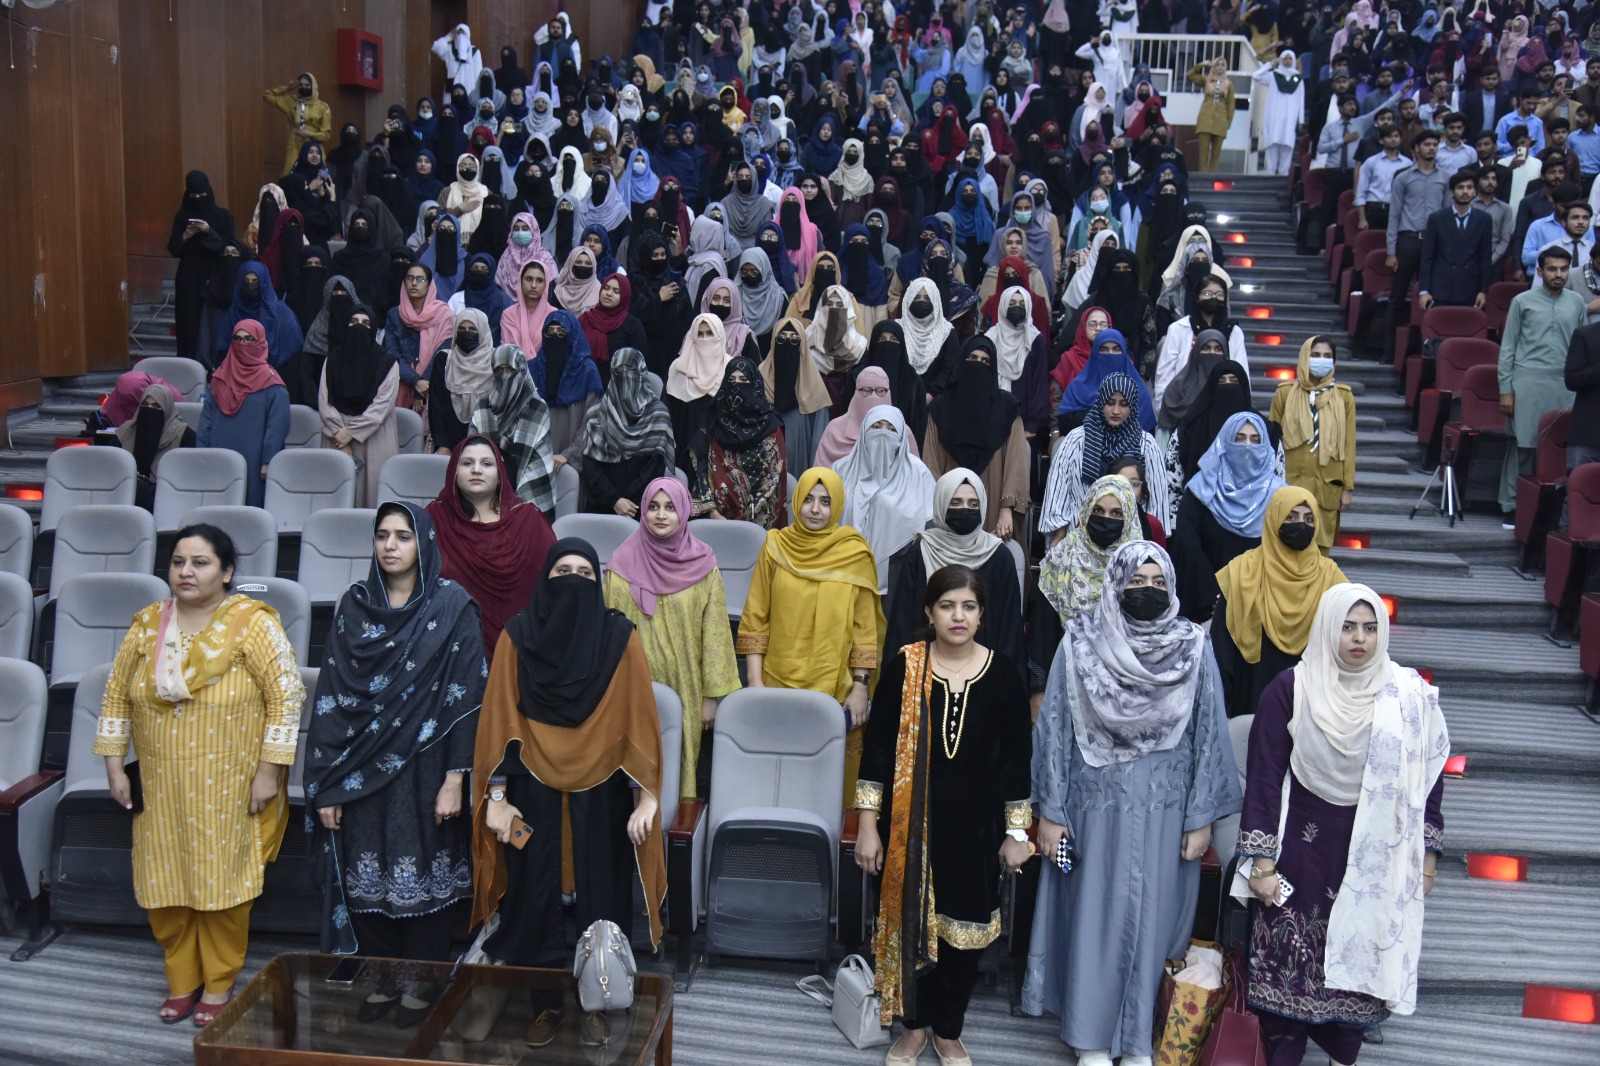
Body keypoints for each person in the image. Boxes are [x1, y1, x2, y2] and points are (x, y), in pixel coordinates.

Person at [1024, 540, 1243, 1066]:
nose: (1147, 590)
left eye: (1158, 582)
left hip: (1166, 813)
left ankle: (1139, 1039)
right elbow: (1053, 728)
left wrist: (1201, 819)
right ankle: (1092, 1039)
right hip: (1093, 808)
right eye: (1136, 582)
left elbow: (1210, 732)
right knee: (1093, 919)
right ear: (1115, 585)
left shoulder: (1193, 646)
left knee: (1153, 925)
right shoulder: (1080, 643)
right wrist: (1050, 811)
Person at [95, 525, 305, 1027]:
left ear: (227, 572)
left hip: (229, 784)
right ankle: (182, 979)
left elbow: (287, 698)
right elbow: (116, 695)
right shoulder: (148, 625)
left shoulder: (252, 625)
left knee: (222, 886)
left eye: (200, 562)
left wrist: (268, 774)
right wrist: (113, 765)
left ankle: (218, 982)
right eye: (178, 562)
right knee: (163, 882)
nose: (186, 572)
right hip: (160, 785)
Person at [1238, 584, 1448, 1066]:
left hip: (1374, 853)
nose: (1359, 639)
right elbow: (1264, 778)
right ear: (1328, 628)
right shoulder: (1291, 689)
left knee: (1359, 956)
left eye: (1370, 629)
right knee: (1289, 960)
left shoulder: (1408, 696)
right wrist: (1262, 862)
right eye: (1348, 627)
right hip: (1300, 845)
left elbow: (1429, 778)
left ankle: (1343, 1051)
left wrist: (1428, 857)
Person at [471, 538, 666, 1049]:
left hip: (601, 798)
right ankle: (544, 1004)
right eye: (563, 572)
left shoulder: (619, 638)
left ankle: (596, 1000)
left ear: (598, 584)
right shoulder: (517, 637)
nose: (574, 581)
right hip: (531, 797)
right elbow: (499, 723)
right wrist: (496, 798)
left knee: (600, 896)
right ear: (544, 580)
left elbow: (637, 724)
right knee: (532, 898)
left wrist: (646, 797)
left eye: (585, 573)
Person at [306, 504, 485, 1022]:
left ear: (422, 543)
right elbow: (333, 694)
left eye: (403, 536)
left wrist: (455, 779)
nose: (390, 545)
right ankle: (383, 977)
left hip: (428, 767)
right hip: (360, 767)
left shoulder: (453, 606)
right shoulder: (354, 605)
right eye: (382, 535)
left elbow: (467, 699)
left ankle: (421, 984)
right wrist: (329, 784)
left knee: (427, 873)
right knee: (366, 874)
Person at [857, 564, 1033, 1066]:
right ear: (929, 612)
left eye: (969, 606)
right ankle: (913, 1029)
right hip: (908, 830)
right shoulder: (905, 666)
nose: (958, 616)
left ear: (982, 615)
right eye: (948, 606)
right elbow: (877, 752)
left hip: (977, 835)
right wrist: (868, 826)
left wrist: (1017, 833)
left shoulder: (1003, 675)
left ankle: (949, 1030)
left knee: (963, 939)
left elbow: (1017, 761)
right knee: (911, 929)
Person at [736, 468, 885, 804]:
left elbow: (865, 630)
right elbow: (756, 618)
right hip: (775, 686)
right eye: (808, 500)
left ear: (838, 506)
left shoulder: (854, 554)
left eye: (826, 502)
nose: (815, 509)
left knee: (826, 787)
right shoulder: (775, 546)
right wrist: (756, 685)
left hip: (835, 691)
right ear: (796, 502)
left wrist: (860, 688)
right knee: (776, 780)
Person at [604, 477, 740, 798]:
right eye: (653, 507)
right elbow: (607, 637)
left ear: (684, 512)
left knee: (679, 773)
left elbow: (716, 635)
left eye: (670, 508)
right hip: (633, 688)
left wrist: (711, 697)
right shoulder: (619, 567)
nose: (661, 515)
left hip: (686, 687)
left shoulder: (705, 566)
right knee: (632, 775)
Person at [1213, 486, 1348, 718]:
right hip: (1250, 697)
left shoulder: (1331, 578)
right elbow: (1221, 649)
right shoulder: (1243, 572)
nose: (1301, 525)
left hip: (1311, 705)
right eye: (1291, 517)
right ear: (1274, 519)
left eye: (1309, 519)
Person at [883, 470, 1027, 678]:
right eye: (956, 502)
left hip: (986, 675)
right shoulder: (921, 550)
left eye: (973, 504)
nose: (965, 510)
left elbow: (1010, 629)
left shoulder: (998, 555)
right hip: (925, 674)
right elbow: (903, 622)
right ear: (941, 503)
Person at [426, 434, 555, 656]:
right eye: (467, 463)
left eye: (486, 464)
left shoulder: (526, 520)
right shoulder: (434, 518)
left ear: (500, 473)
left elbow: (552, 583)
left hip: (515, 651)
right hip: (447, 651)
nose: (476, 470)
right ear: (454, 470)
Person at [1171, 411, 1286, 621]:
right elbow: (1188, 547)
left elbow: (1282, 553)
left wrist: (1251, 597)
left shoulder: (1280, 496)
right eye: (1239, 439)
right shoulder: (1200, 490)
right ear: (1224, 443)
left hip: (1262, 605)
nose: (1247, 447)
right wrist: (1214, 595)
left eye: (1255, 440)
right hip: (1207, 608)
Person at [1499, 247, 1586, 516]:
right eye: (1552, 269)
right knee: (1522, 448)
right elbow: (1508, 347)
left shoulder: (1577, 302)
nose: (1558, 274)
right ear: (1540, 271)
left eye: (1563, 269)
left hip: (1564, 385)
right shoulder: (1522, 301)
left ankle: (1551, 512)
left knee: (1558, 449)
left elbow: (1583, 348)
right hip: (1527, 382)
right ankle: (1512, 507)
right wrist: (1505, 390)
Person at [921, 337, 1030, 539]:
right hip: (949, 509)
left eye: (985, 361)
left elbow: (1016, 463)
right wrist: (943, 506)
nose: (978, 364)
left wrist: (1006, 508)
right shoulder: (940, 408)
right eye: (972, 358)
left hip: (995, 507)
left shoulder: (1007, 408)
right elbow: (930, 465)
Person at [1042, 372, 1170, 539]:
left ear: (1132, 407)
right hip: (1079, 536)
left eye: (1123, 404)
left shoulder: (1146, 445)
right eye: (1110, 403)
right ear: (1100, 402)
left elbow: (1156, 504)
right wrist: (1060, 538)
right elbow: (1057, 494)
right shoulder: (1076, 440)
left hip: (1131, 539)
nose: (1116, 411)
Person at [834, 405, 936, 593]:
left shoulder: (918, 473)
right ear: (863, 432)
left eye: (891, 429)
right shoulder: (841, 470)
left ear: (901, 438)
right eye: (876, 427)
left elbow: (931, 525)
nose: (883, 434)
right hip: (842, 569)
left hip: (897, 574)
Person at [1269, 337, 1357, 553]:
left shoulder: (1344, 396)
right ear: (1304, 357)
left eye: (1327, 356)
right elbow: (1272, 442)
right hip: (1290, 481)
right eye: (1315, 355)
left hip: (1327, 485)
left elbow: (1349, 444)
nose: (1321, 360)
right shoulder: (1285, 393)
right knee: (1285, 544)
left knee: (1320, 550)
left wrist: (1347, 488)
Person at [198, 320, 290, 508]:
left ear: (261, 342)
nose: (243, 344)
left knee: (250, 510)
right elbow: (205, 421)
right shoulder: (219, 379)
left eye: (249, 339)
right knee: (217, 508)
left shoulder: (272, 385)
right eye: (238, 339)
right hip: (218, 457)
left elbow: (277, 427)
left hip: (254, 462)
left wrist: (269, 461)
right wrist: (202, 456)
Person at [1037, 474, 1144, 627]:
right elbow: (1044, 630)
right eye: (1098, 510)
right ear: (1086, 511)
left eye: (1116, 513)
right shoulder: (1060, 557)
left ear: (1129, 517)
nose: (1106, 519)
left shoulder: (1140, 563)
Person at [319, 305, 400, 507]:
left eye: (366, 323)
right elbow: (324, 401)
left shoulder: (388, 363)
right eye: (353, 322)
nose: (359, 328)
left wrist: (351, 433)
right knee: (335, 504)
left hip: (374, 438)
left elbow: (382, 406)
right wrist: (341, 437)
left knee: (373, 504)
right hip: (336, 437)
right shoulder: (332, 360)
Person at [578, 347, 675, 515]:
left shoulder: (657, 415)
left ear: (641, 373)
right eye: (619, 370)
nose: (625, 374)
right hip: (601, 509)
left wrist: (629, 503)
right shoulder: (597, 414)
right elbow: (590, 467)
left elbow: (654, 469)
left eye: (631, 369)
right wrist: (614, 500)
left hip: (641, 508)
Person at [697, 356, 788, 526]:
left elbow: (774, 480)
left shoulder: (771, 427)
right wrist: (713, 512)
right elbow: (700, 467)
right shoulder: (713, 421)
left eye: (743, 380)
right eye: (731, 380)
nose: (737, 386)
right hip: (714, 520)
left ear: (755, 385)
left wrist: (742, 523)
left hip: (759, 524)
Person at [471, 344, 556, 514]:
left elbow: (538, 462)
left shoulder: (537, 408)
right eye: (498, 370)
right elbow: (473, 454)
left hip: (525, 498)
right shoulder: (483, 408)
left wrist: (512, 506)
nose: (504, 375)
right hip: (487, 496)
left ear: (522, 370)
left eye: (510, 370)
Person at [169, 172, 237, 361]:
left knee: (213, 322)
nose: (198, 199)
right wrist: (186, 235)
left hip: (215, 275)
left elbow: (229, 244)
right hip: (189, 277)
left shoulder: (222, 216)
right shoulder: (182, 217)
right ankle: (188, 363)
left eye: (202, 195)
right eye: (194, 195)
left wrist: (209, 231)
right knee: (188, 322)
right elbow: (174, 248)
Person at [666, 312, 733, 493]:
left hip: (721, 453)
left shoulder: (732, 370)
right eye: (699, 334)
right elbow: (669, 415)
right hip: (683, 448)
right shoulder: (679, 368)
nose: (704, 339)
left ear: (720, 335)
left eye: (710, 333)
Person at [759, 316, 831, 474]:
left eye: (794, 339)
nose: (787, 344)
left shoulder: (814, 389)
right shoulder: (759, 382)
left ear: (802, 346)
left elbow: (819, 447)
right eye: (781, 339)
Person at [1418, 169, 1494, 313]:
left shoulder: (1484, 219)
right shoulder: (1437, 218)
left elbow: (1485, 258)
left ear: (1475, 191)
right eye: (1460, 187)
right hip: (1441, 289)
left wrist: (1483, 291)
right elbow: (1427, 257)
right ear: (1452, 191)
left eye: (1469, 187)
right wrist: (1424, 290)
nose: (1465, 192)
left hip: (1470, 288)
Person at [385, 262, 457, 411]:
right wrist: (415, 380)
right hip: (401, 383)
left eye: (420, 279)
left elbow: (442, 355)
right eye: (410, 278)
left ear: (429, 285)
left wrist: (423, 385)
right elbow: (392, 355)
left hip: (434, 385)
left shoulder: (444, 315)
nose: (414, 283)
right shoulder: (395, 315)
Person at [1058, 329, 1157, 435]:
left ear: (1124, 354)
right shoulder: (1078, 387)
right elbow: (1065, 424)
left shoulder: (1138, 391)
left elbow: (1145, 431)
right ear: (1095, 353)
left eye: (1116, 349)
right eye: (1104, 349)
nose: (1110, 354)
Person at [428, 308, 495, 454]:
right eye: (461, 329)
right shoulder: (444, 360)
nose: (466, 333)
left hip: (486, 445)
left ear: (483, 331)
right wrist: (442, 444)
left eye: (472, 329)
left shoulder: (495, 361)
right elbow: (436, 405)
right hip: (449, 445)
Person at [119, 384, 196, 509]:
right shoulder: (127, 431)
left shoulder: (184, 435)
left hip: (169, 499)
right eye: (145, 405)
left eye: (156, 406)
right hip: (128, 497)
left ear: (167, 409)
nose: (149, 410)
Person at [263, 72, 333, 175]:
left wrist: (309, 134)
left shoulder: (322, 107)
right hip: (295, 146)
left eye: (307, 85)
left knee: (318, 177)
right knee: (290, 177)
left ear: (313, 86)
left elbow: (326, 135)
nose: (304, 87)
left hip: (313, 147)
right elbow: (267, 96)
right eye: (301, 85)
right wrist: (287, 88)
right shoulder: (291, 102)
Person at [1189, 56, 1235, 172]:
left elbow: (1231, 104)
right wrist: (1202, 65)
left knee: (1216, 154)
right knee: (1203, 153)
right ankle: (1202, 176)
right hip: (1205, 117)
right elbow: (1190, 75)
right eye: (1217, 64)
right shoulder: (1206, 80)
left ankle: (1212, 177)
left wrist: (1229, 121)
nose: (1220, 67)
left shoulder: (1228, 84)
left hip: (1221, 119)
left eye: (1222, 65)